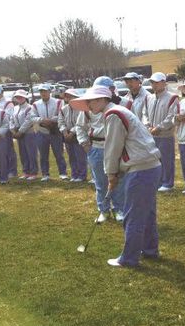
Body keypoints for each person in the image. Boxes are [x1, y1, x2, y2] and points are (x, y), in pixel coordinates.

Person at [71, 86, 161, 268]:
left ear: (104, 99)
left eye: (92, 101)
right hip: (149, 166)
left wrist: (111, 173)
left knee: (133, 215)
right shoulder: (118, 111)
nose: (88, 105)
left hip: (140, 169)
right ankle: (150, 250)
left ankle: (129, 258)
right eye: (87, 101)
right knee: (147, 213)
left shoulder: (113, 114)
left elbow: (113, 147)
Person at [76, 92, 126, 223]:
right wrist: (85, 144)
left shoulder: (116, 108)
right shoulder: (88, 110)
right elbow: (80, 126)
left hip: (115, 146)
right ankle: (103, 210)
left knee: (118, 180)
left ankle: (119, 209)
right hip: (96, 147)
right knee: (100, 182)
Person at [142, 72, 179, 192]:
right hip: (151, 134)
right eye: (152, 82)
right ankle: (156, 181)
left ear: (164, 83)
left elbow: (171, 116)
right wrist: (147, 126)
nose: (154, 85)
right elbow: (144, 114)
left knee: (166, 159)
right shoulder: (149, 98)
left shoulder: (172, 97)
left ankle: (167, 183)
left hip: (165, 135)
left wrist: (159, 127)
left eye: (157, 82)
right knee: (153, 159)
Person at [30, 84, 68, 181]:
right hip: (41, 132)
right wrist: (42, 120)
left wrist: (51, 120)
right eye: (41, 91)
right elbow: (32, 117)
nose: (43, 93)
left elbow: (61, 114)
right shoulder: (35, 104)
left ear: (49, 92)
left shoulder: (59, 102)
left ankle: (63, 173)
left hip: (55, 131)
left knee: (59, 153)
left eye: (45, 91)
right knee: (43, 155)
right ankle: (45, 174)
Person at [59, 89, 88, 182]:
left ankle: (82, 175)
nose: (69, 98)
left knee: (80, 156)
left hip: (77, 134)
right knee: (71, 156)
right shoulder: (63, 109)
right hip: (67, 135)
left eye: (71, 96)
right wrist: (64, 132)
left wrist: (72, 132)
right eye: (67, 96)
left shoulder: (81, 108)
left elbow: (80, 123)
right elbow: (61, 122)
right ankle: (74, 174)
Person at [10, 90, 39, 180]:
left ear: (25, 97)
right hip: (18, 132)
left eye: (21, 97)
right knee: (23, 153)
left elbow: (28, 120)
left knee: (31, 153)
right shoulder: (14, 108)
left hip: (28, 132)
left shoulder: (29, 107)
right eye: (17, 97)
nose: (19, 98)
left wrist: (20, 131)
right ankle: (26, 171)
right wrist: (13, 130)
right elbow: (11, 119)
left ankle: (33, 172)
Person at [0, 84, 18, 178]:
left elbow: (9, 116)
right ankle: (2, 169)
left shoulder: (8, 103)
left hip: (5, 129)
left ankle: (12, 171)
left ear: (2, 92)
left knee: (8, 150)